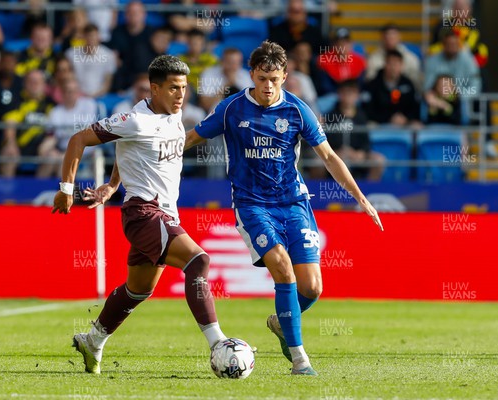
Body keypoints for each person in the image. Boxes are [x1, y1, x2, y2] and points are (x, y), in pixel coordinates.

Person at [184, 41, 383, 375]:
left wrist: (361, 198)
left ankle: (281, 323)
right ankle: (300, 359)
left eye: (274, 79)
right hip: (252, 204)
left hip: (294, 203)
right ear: (252, 75)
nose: (268, 86)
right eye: (262, 78)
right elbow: (192, 138)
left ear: (285, 76)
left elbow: (330, 157)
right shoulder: (232, 109)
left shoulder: (297, 110)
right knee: (282, 267)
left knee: (312, 288)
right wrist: (159, 151)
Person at [52, 55, 227, 374]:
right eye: (174, 88)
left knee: (138, 289)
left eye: (184, 88)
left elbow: (130, 150)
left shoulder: (175, 116)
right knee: (198, 261)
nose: (181, 95)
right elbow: (79, 139)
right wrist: (66, 188)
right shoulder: (134, 120)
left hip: (166, 215)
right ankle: (219, 344)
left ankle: (92, 340)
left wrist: (111, 185)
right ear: (155, 88)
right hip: (144, 213)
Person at [321, 79, 385, 181]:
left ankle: (367, 192)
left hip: (357, 155)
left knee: (379, 160)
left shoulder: (361, 116)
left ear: (357, 96)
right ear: (339, 94)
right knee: (316, 162)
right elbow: (325, 140)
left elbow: (365, 140)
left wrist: (362, 152)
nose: (348, 96)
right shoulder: (330, 116)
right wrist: (337, 151)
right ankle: (318, 191)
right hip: (335, 154)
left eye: (351, 93)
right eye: (345, 92)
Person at [365, 49, 421, 127]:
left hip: (404, 122)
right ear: (385, 64)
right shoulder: (373, 84)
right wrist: (389, 118)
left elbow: (415, 107)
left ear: (402, 65)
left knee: (417, 126)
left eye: (396, 64)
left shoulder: (408, 84)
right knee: (369, 126)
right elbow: (368, 110)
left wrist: (406, 118)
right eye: (390, 63)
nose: (393, 67)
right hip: (379, 123)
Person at [365, 23, 422, 90]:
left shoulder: (411, 58)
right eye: (387, 37)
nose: (390, 40)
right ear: (382, 38)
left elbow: (416, 81)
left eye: (393, 37)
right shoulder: (373, 59)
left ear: (399, 37)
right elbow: (370, 80)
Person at [64, 24, 116, 98]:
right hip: (77, 96)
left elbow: (107, 81)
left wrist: (95, 96)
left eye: (93, 36)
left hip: (100, 97)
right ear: (83, 37)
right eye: (88, 36)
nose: (91, 40)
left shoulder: (108, 55)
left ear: (99, 37)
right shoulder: (71, 54)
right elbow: (68, 77)